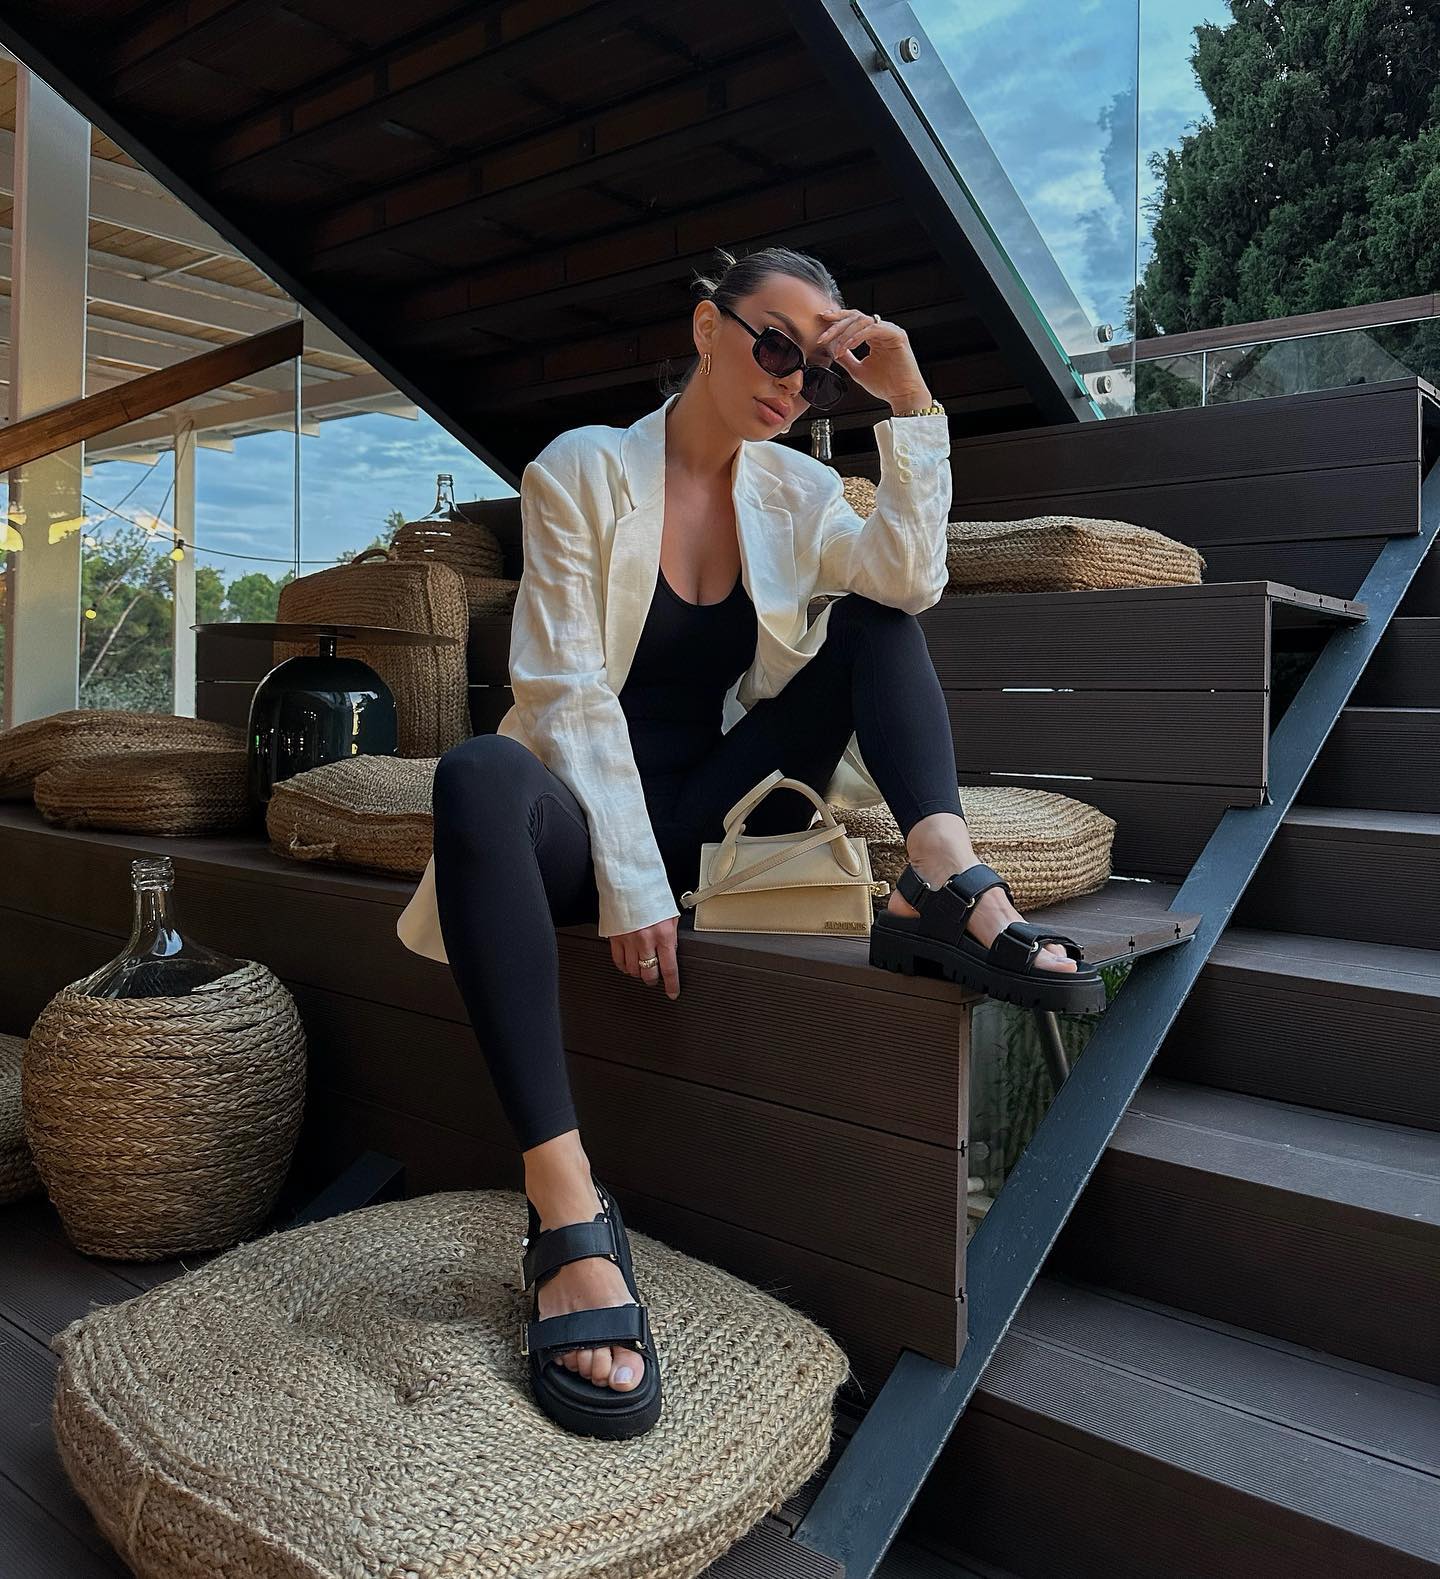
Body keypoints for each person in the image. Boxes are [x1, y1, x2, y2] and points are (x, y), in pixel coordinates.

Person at [407, 243, 1084, 1435]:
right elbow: (561, 691)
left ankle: (943, 875)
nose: (793, 381)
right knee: (476, 774)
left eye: (818, 368)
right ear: (708, 327)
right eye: (777, 344)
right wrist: (628, 883)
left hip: (718, 815)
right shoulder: (580, 470)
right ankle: (565, 1206)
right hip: (583, 826)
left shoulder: (797, 491)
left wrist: (909, 404)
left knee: (875, 613)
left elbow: (910, 580)